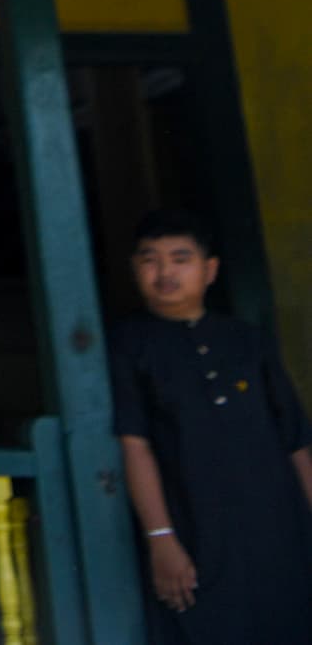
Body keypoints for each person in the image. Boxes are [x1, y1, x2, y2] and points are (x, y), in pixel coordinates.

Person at [110, 208, 312, 643]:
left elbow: (296, 443)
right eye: (150, 259)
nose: (165, 271)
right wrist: (162, 539)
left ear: (210, 269)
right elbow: (135, 445)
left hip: (281, 529)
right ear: (134, 269)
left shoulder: (249, 342)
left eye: (180, 258)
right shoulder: (129, 345)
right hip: (195, 532)